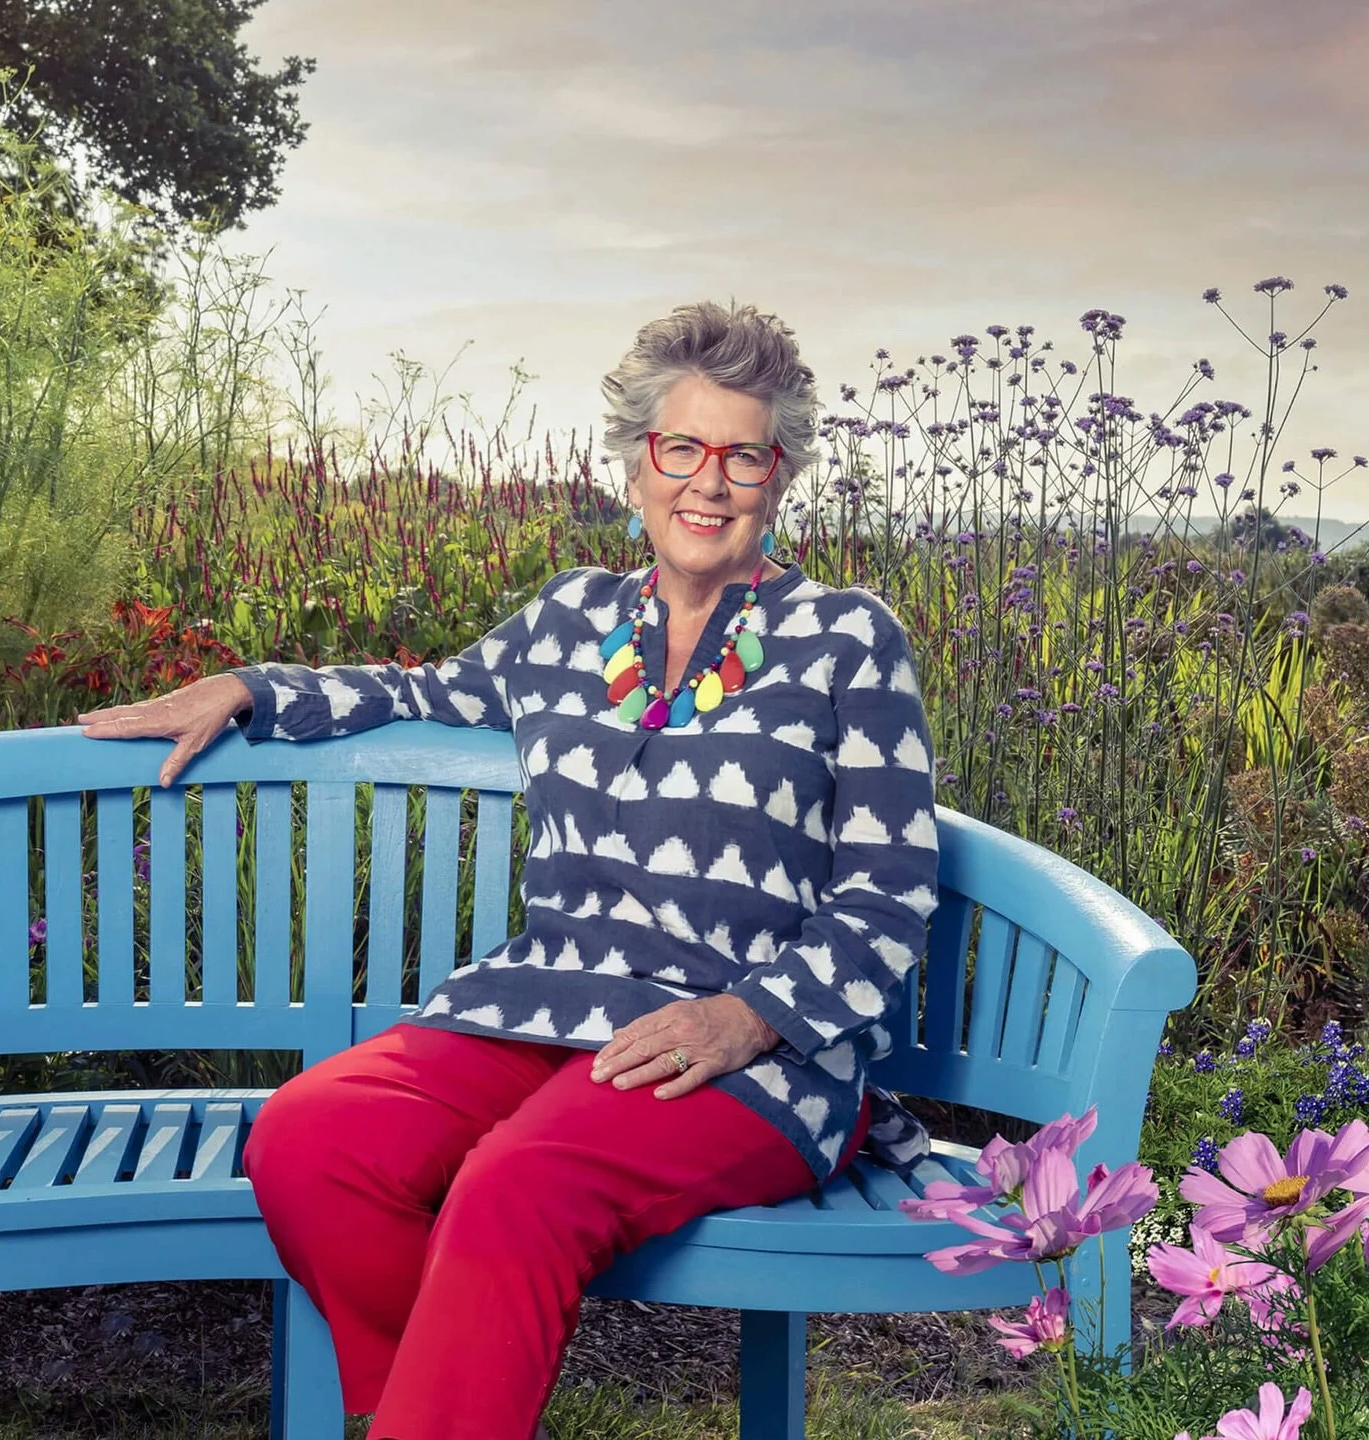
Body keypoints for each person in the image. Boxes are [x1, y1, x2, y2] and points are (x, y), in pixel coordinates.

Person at [78, 300, 941, 1440]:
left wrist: (749, 1016)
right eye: (680, 447)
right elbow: (420, 694)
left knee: (515, 1184)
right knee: (309, 1141)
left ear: (781, 475)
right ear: (635, 462)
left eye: (744, 454)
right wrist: (251, 689)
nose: (708, 480)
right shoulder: (570, 619)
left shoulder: (847, 635)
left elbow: (892, 891)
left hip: (745, 1056)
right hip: (547, 1010)